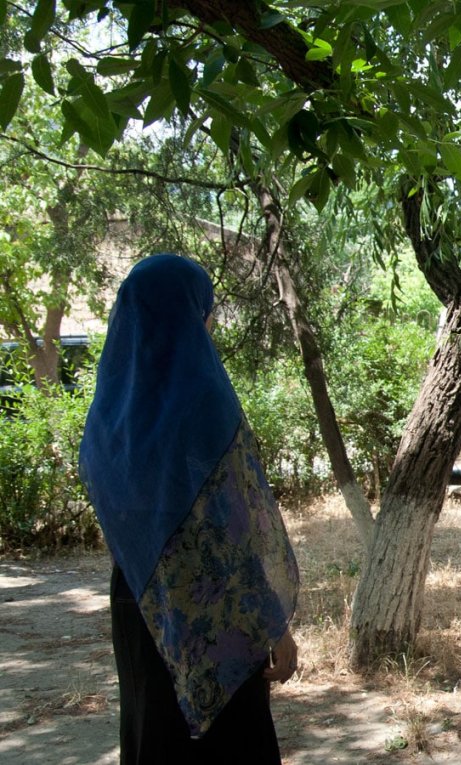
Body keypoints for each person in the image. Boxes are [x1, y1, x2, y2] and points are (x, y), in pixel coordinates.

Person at [79, 253, 300, 765]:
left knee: (153, 732)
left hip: (140, 605)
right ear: (188, 312)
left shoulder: (108, 417)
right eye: (207, 310)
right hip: (216, 608)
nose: (211, 323)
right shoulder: (203, 398)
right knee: (231, 743)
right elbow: (236, 529)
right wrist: (275, 627)